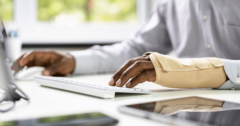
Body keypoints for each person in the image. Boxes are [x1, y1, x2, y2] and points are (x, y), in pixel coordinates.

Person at [11, 0, 240, 89]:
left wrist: (195, 71)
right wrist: (73, 60)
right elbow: (134, 50)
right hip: (186, 109)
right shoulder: (170, 4)